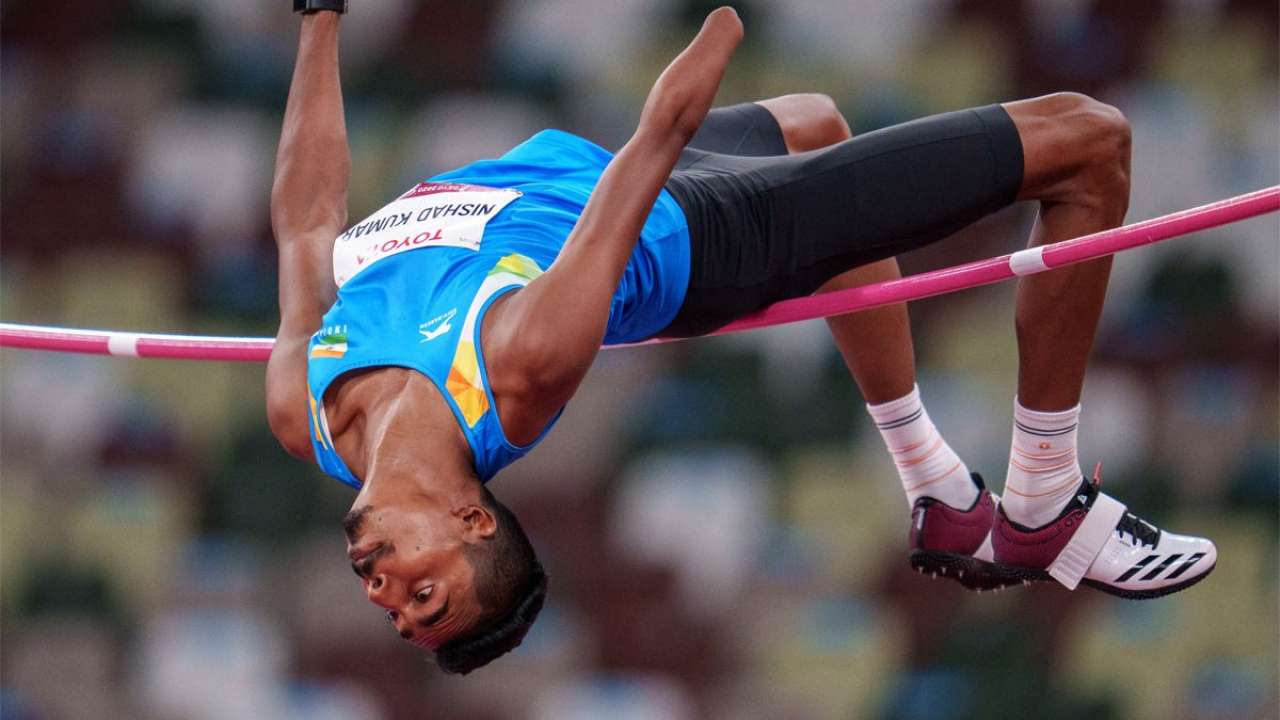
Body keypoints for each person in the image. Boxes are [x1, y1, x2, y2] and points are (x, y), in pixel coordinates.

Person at [265, 4, 1216, 674]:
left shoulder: (301, 411)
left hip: (570, 173)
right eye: (423, 599)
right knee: (1089, 140)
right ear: (473, 522)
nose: (386, 595)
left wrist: (321, 16)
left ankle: (935, 486)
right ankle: (1046, 498)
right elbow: (654, 148)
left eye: (400, 612)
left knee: (813, 122)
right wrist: (721, 20)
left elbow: (309, 222)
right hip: (694, 233)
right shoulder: (515, 366)